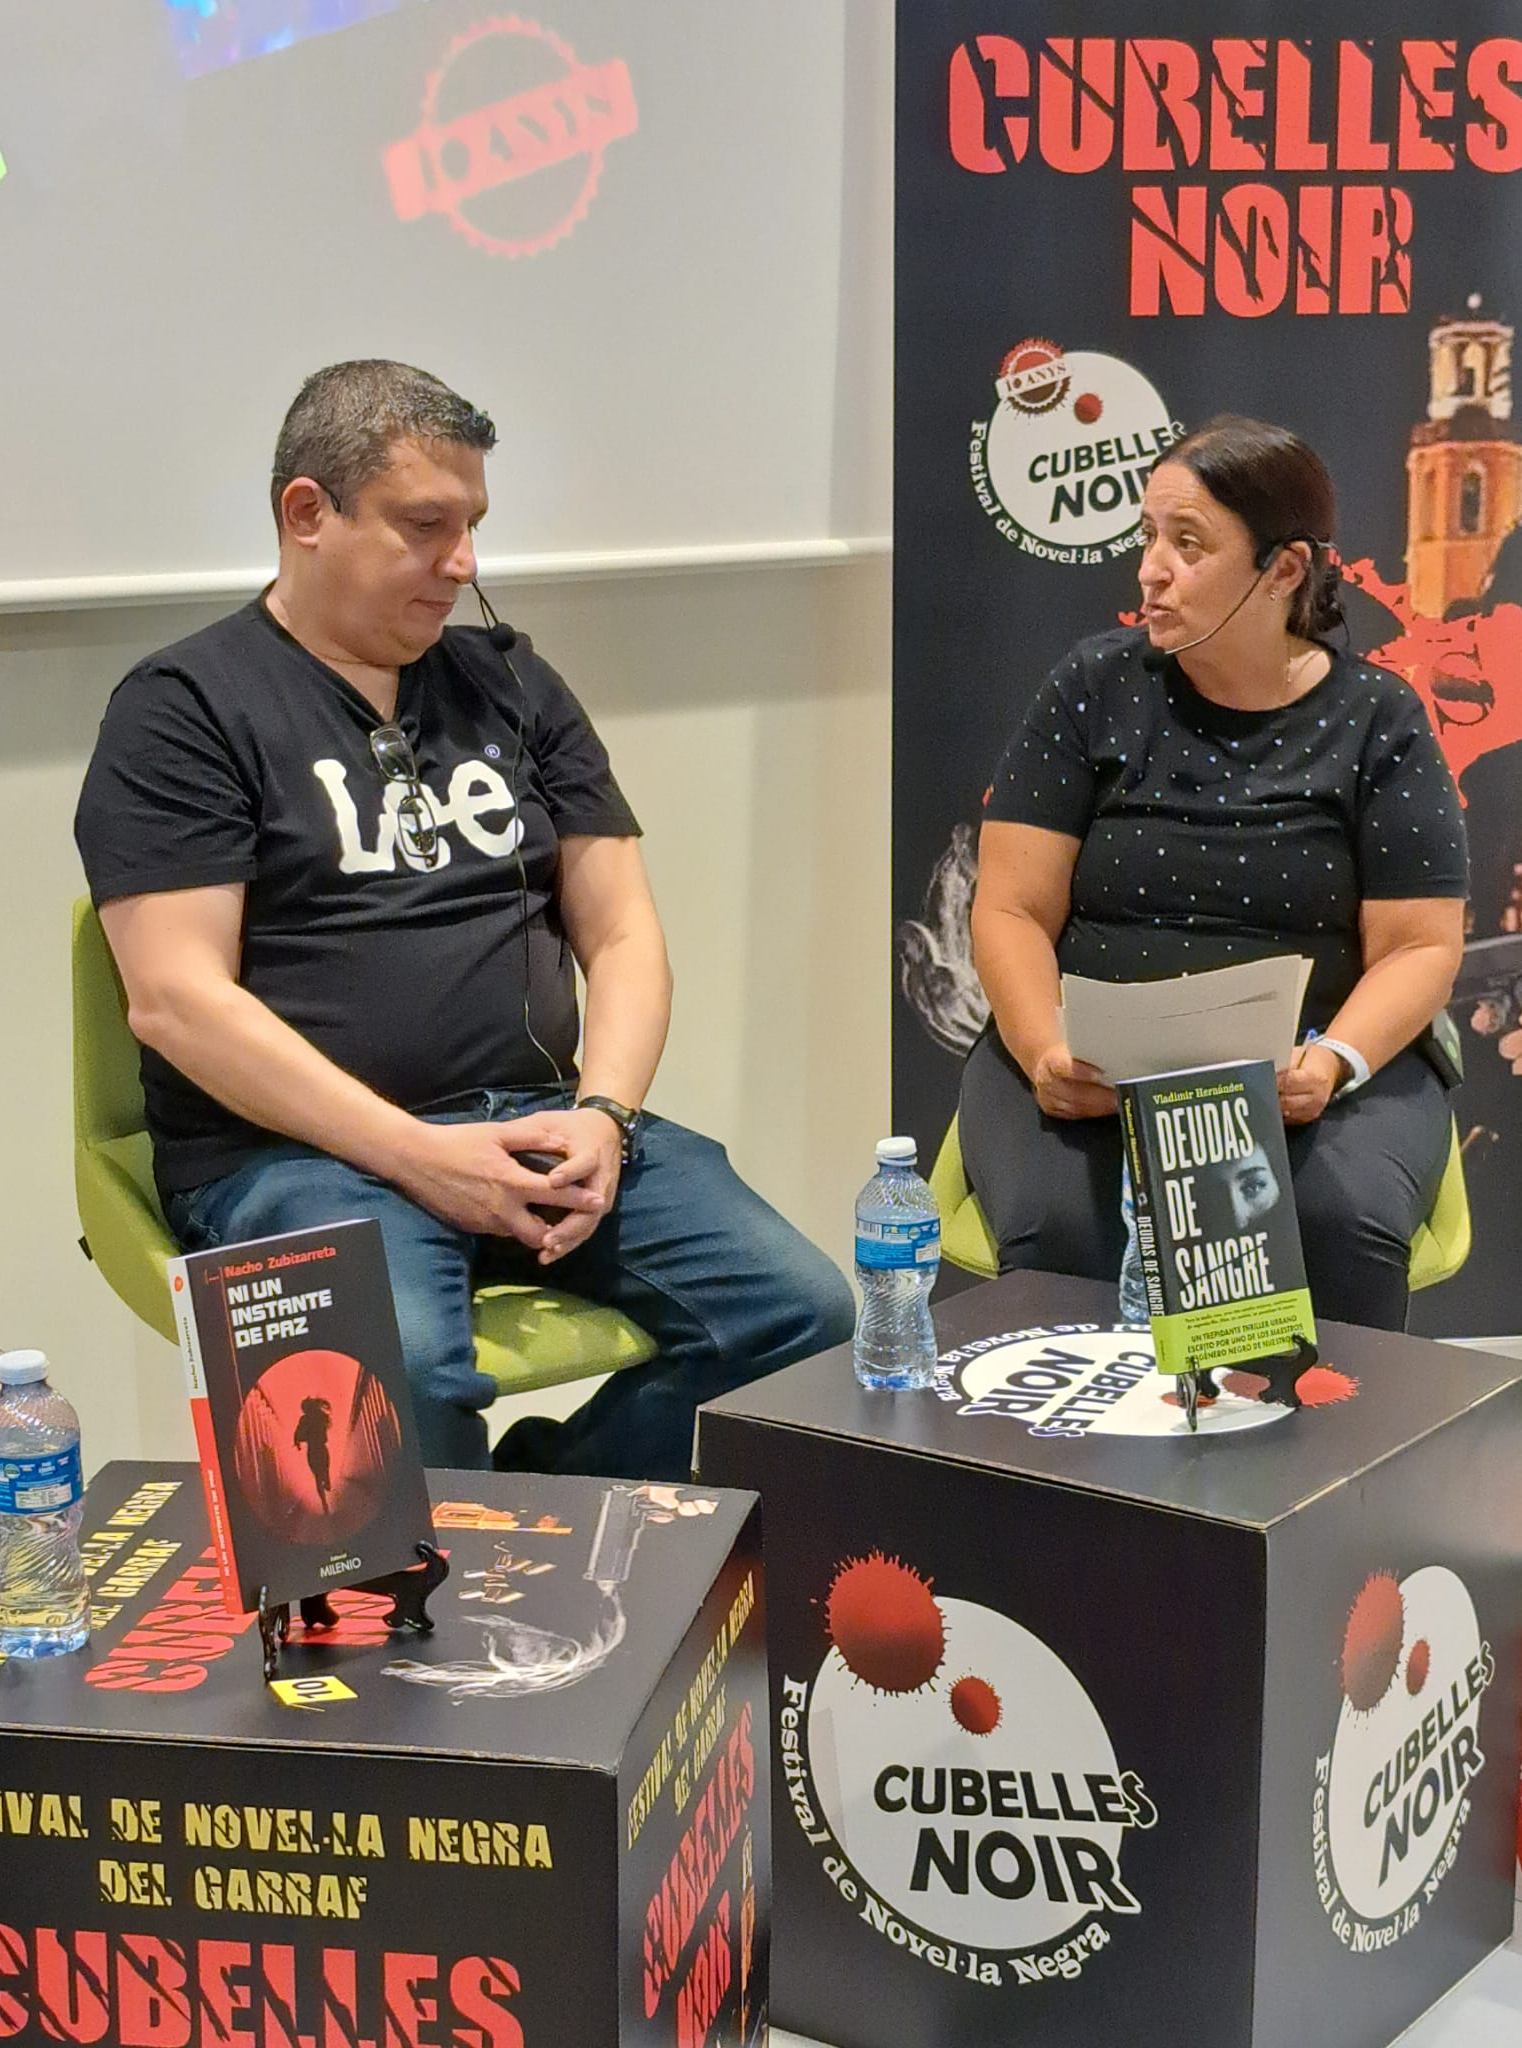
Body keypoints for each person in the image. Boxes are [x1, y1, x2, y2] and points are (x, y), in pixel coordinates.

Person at [75, 359, 853, 1479]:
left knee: (806, 1320)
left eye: (474, 525)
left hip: (538, 1122)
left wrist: (607, 1113)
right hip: (296, 1156)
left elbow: (623, 932)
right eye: (426, 525)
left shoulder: (512, 682)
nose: (465, 563)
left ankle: (549, 1508)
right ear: (308, 512)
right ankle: (456, 1577)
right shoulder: (185, 709)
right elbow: (175, 1000)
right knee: (401, 1381)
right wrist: (419, 1155)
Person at [962, 415, 1468, 1331]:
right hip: (1085, 1053)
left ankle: (1320, 1428)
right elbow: (1009, 910)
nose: (1150, 570)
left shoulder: (1378, 718)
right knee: (1064, 1233)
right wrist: (1043, 1054)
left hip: (1307, 1063)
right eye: (1148, 536)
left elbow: (1420, 947)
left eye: (1187, 544)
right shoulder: (1092, 687)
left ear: (1284, 570)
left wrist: (1331, 1063)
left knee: (1336, 1225)